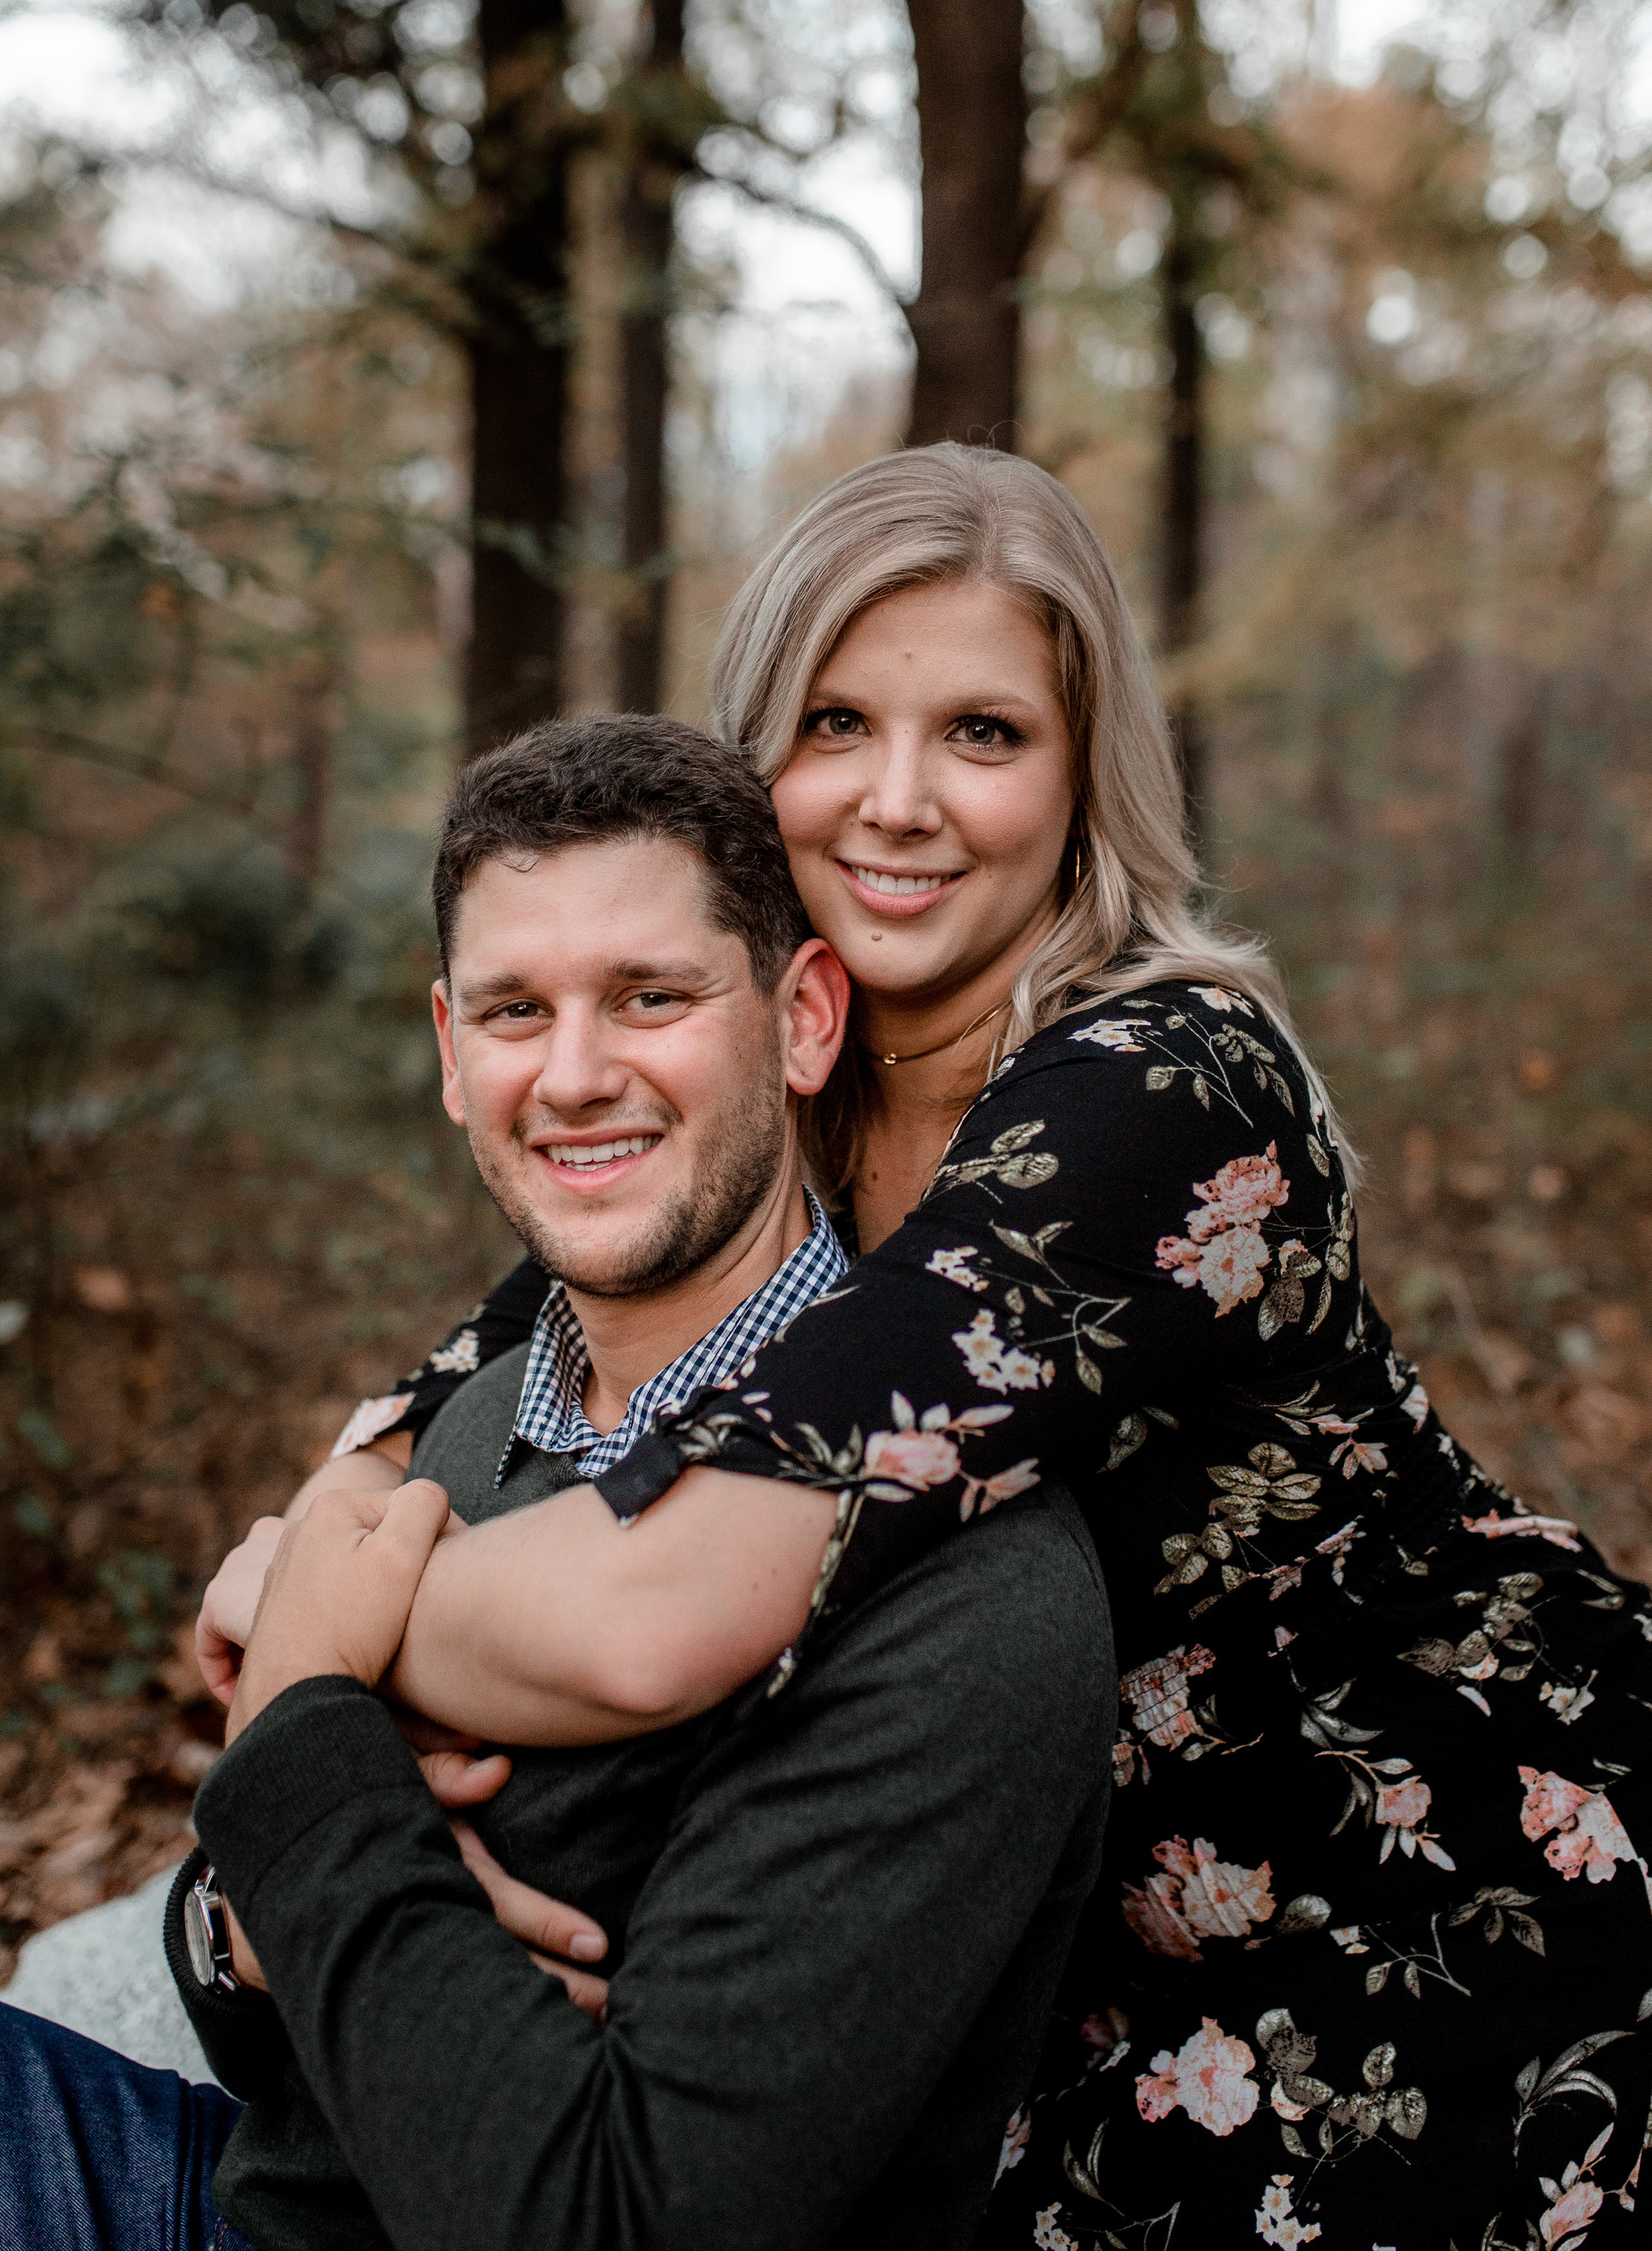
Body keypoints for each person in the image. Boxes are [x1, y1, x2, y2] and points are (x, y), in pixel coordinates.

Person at [261, 440, 1652, 2248]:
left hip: (1446, 1926)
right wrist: (314, 1554)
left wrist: (320, 1645)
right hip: (1081, 1956)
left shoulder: (1159, 1088)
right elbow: (431, 1415)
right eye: (835, 722)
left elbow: (649, 1612)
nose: (897, 801)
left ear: (1082, 774)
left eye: (983, 733)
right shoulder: (785, 1091)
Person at [0, 712, 1114, 2251]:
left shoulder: (958, 1582)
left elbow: (608, 2221)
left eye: (650, 998)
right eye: (516, 1012)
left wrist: (310, 1739)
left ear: (801, 1021)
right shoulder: (463, 1434)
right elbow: (267, 2013)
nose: (575, 1075)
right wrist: (259, 1923)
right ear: (454, 1055)